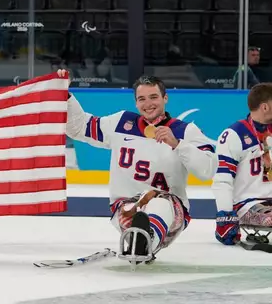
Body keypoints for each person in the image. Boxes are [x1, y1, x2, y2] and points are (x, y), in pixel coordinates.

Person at [59, 71, 218, 263]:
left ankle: (145, 240)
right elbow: (79, 128)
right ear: (135, 103)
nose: (148, 104)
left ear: (165, 98)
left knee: (159, 203)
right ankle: (139, 240)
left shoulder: (185, 131)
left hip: (170, 210)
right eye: (141, 99)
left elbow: (208, 170)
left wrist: (177, 144)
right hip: (126, 206)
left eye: (153, 97)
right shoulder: (120, 123)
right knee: (133, 214)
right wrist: (64, 94)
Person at [212, 83, 272, 250]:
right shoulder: (234, 134)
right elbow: (222, 179)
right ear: (265, 107)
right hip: (247, 204)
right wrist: (225, 216)